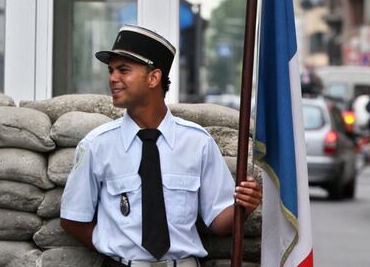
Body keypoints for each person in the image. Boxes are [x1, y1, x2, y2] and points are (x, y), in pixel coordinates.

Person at [60, 25, 263, 267]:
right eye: (111, 70)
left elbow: (218, 221)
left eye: (123, 70)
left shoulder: (197, 143)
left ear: (154, 77)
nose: (113, 78)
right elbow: (73, 218)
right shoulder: (97, 145)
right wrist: (113, 248)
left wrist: (245, 206)